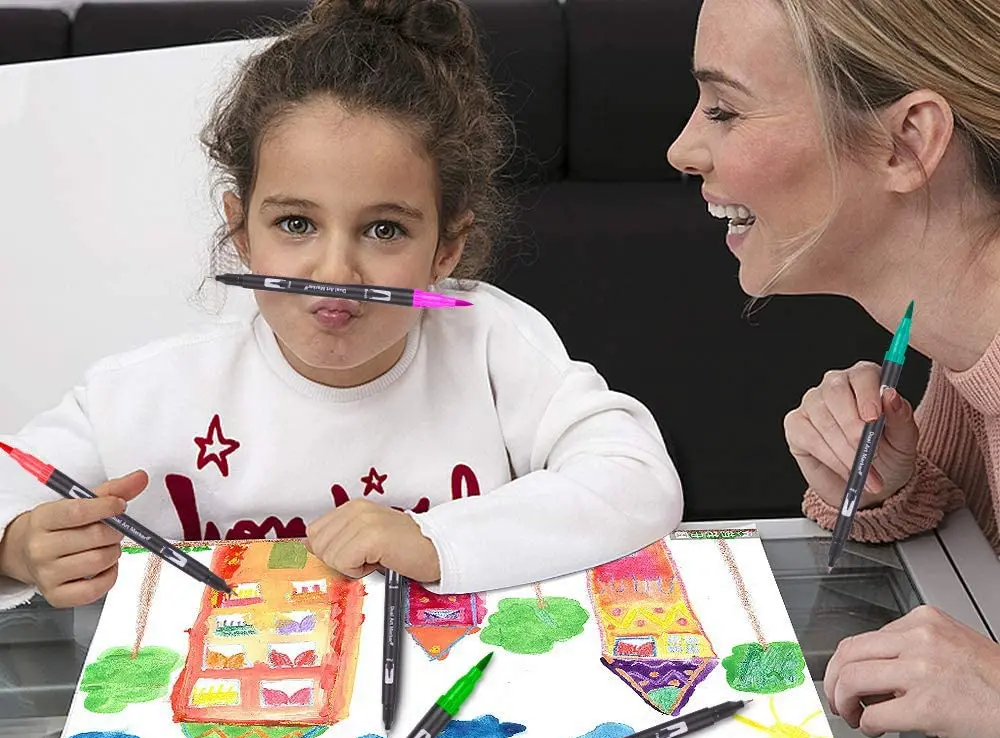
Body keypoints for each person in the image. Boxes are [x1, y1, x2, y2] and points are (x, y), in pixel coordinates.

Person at [0, 0, 681, 611]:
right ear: (241, 232)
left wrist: (433, 539)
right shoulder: (146, 391)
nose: (335, 273)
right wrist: (17, 547)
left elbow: (638, 481)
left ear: (447, 248)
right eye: (296, 223)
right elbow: (14, 485)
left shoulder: (492, 345)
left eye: (384, 230)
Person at [667, 0, 1000, 738]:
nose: (682, 150)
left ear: (907, 143)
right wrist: (894, 489)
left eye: (724, 110)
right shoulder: (958, 345)